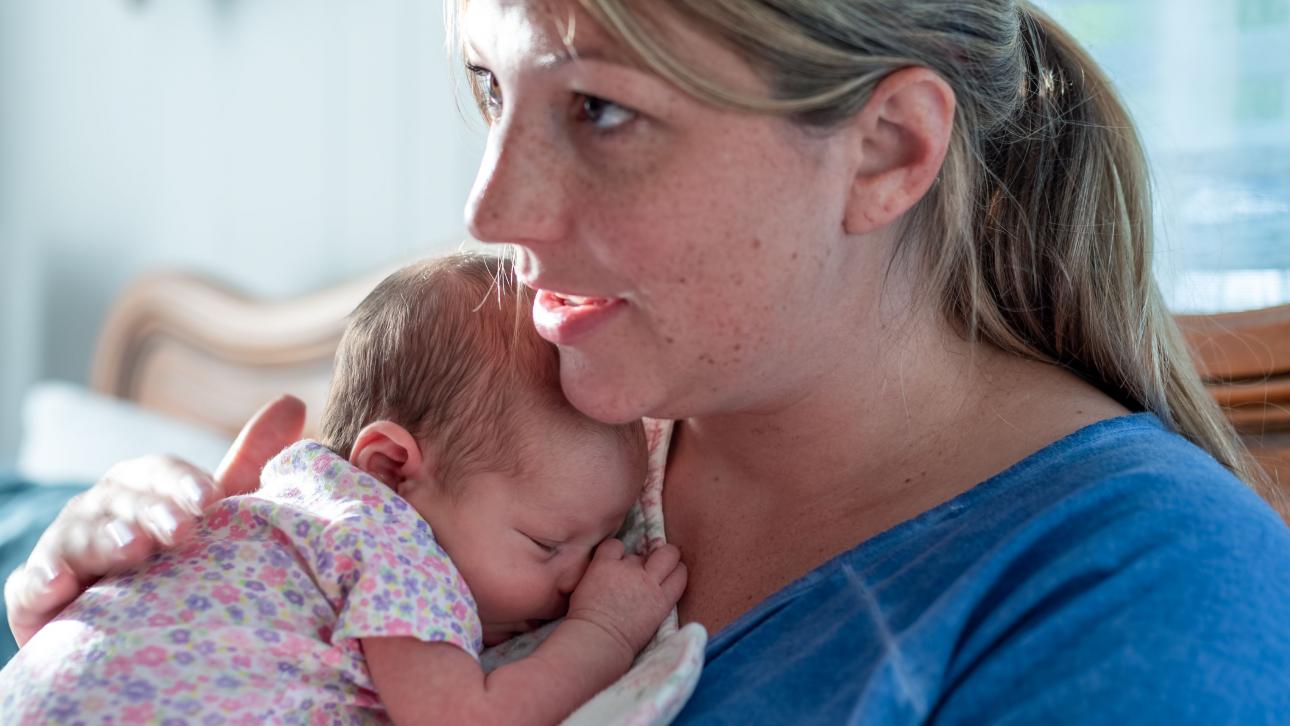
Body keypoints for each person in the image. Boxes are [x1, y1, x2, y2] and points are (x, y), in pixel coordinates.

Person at [9, 0, 1290, 721]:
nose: (488, 211)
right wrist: (90, 608)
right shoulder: (505, 406)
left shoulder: (1148, 590)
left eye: (603, 110)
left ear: (891, 150)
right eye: (487, 91)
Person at [0, 254, 687, 724]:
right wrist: (602, 630)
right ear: (392, 468)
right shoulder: (392, 542)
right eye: (547, 543)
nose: (586, 576)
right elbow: (468, 719)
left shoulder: (287, 514)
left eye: (603, 539)